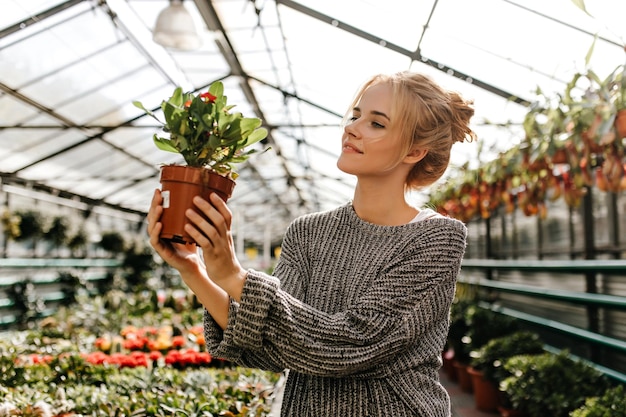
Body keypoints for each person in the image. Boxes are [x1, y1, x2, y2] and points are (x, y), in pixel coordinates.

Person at [147, 71, 476, 416]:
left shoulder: (436, 238)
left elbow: (354, 343)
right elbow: (271, 347)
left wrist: (234, 277)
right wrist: (194, 269)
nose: (352, 127)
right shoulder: (308, 232)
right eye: (355, 115)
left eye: (377, 124)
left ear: (414, 151)